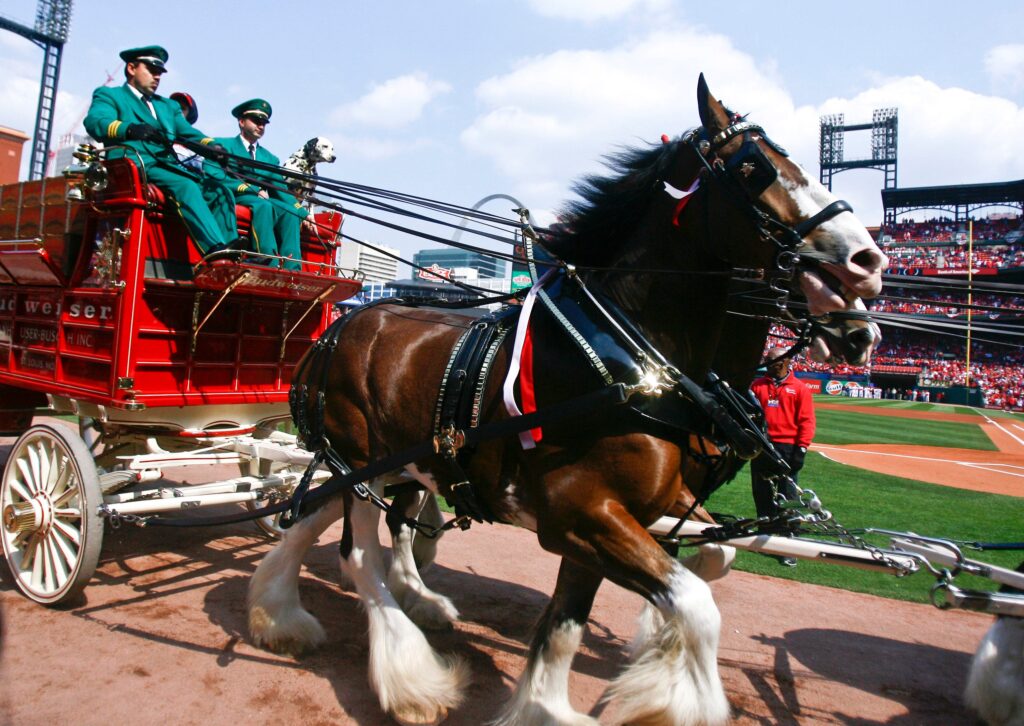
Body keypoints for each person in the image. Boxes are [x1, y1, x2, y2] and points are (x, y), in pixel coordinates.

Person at [82, 46, 238, 255]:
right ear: (131, 68)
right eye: (151, 70)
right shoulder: (111, 95)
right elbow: (96, 122)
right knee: (186, 186)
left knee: (219, 189)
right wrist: (128, 128)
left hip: (166, 165)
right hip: (135, 164)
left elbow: (189, 133)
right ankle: (214, 251)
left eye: (160, 73)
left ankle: (231, 253)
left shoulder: (167, 106)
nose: (157, 77)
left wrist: (213, 147)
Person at [205, 99, 307, 271]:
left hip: (258, 199)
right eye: (256, 121)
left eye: (264, 123)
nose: (261, 126)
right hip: (234, 195)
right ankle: (267, 260)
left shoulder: (269, 158)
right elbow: (212, 173)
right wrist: (248, 188)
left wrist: (302, 212)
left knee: (289, 212)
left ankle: (293, 268)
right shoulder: (222, 146)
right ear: (241, 121)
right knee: (264, 206)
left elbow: (280, 190)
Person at [749, 347, 817, 566]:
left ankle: (790, 544)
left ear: (786, 360)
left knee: (788, 495)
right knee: (762, 492)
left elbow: (807, 421)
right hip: (763, 446)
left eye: (774, 360)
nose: (769, 363)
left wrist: (802, 449)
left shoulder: (799, 389)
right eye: (768, 359)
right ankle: (766, 537)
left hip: (788, 447)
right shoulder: (758, 386)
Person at [169, 92, 203, 172]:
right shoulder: (157, 132)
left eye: (182, 108)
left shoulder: (196, 144)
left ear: (190, 114)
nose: (177, 110)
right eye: (174, 107)